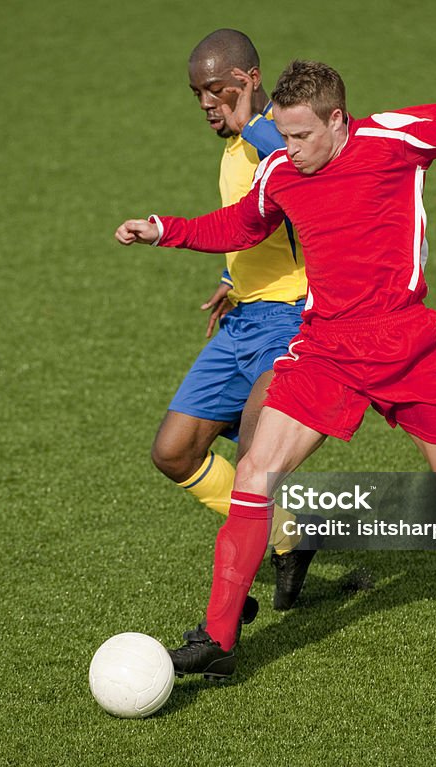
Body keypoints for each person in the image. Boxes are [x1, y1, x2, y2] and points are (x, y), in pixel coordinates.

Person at [116, 60, 436, 679]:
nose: (288, 150)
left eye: (300, 137)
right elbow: (238, 224)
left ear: (338, 120)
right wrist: (163, 230)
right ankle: (219, 638)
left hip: (406, 342)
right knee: (256, 474)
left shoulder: (391, 140)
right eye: (283, 136)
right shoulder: (280, 174)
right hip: (326, 348)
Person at [153, 30, 318, 611]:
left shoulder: (284, 139)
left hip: (294, 321)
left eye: (216, 90)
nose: (205, 104)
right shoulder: (235, 144)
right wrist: (232, 278)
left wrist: (254, 125)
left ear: (250, 80)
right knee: (174, 452)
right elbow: (253, 223)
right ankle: (289, 536)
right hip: (244, 320)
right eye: (197, 92)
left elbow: (304, 192)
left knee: (254, 457)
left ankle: (229, 604)